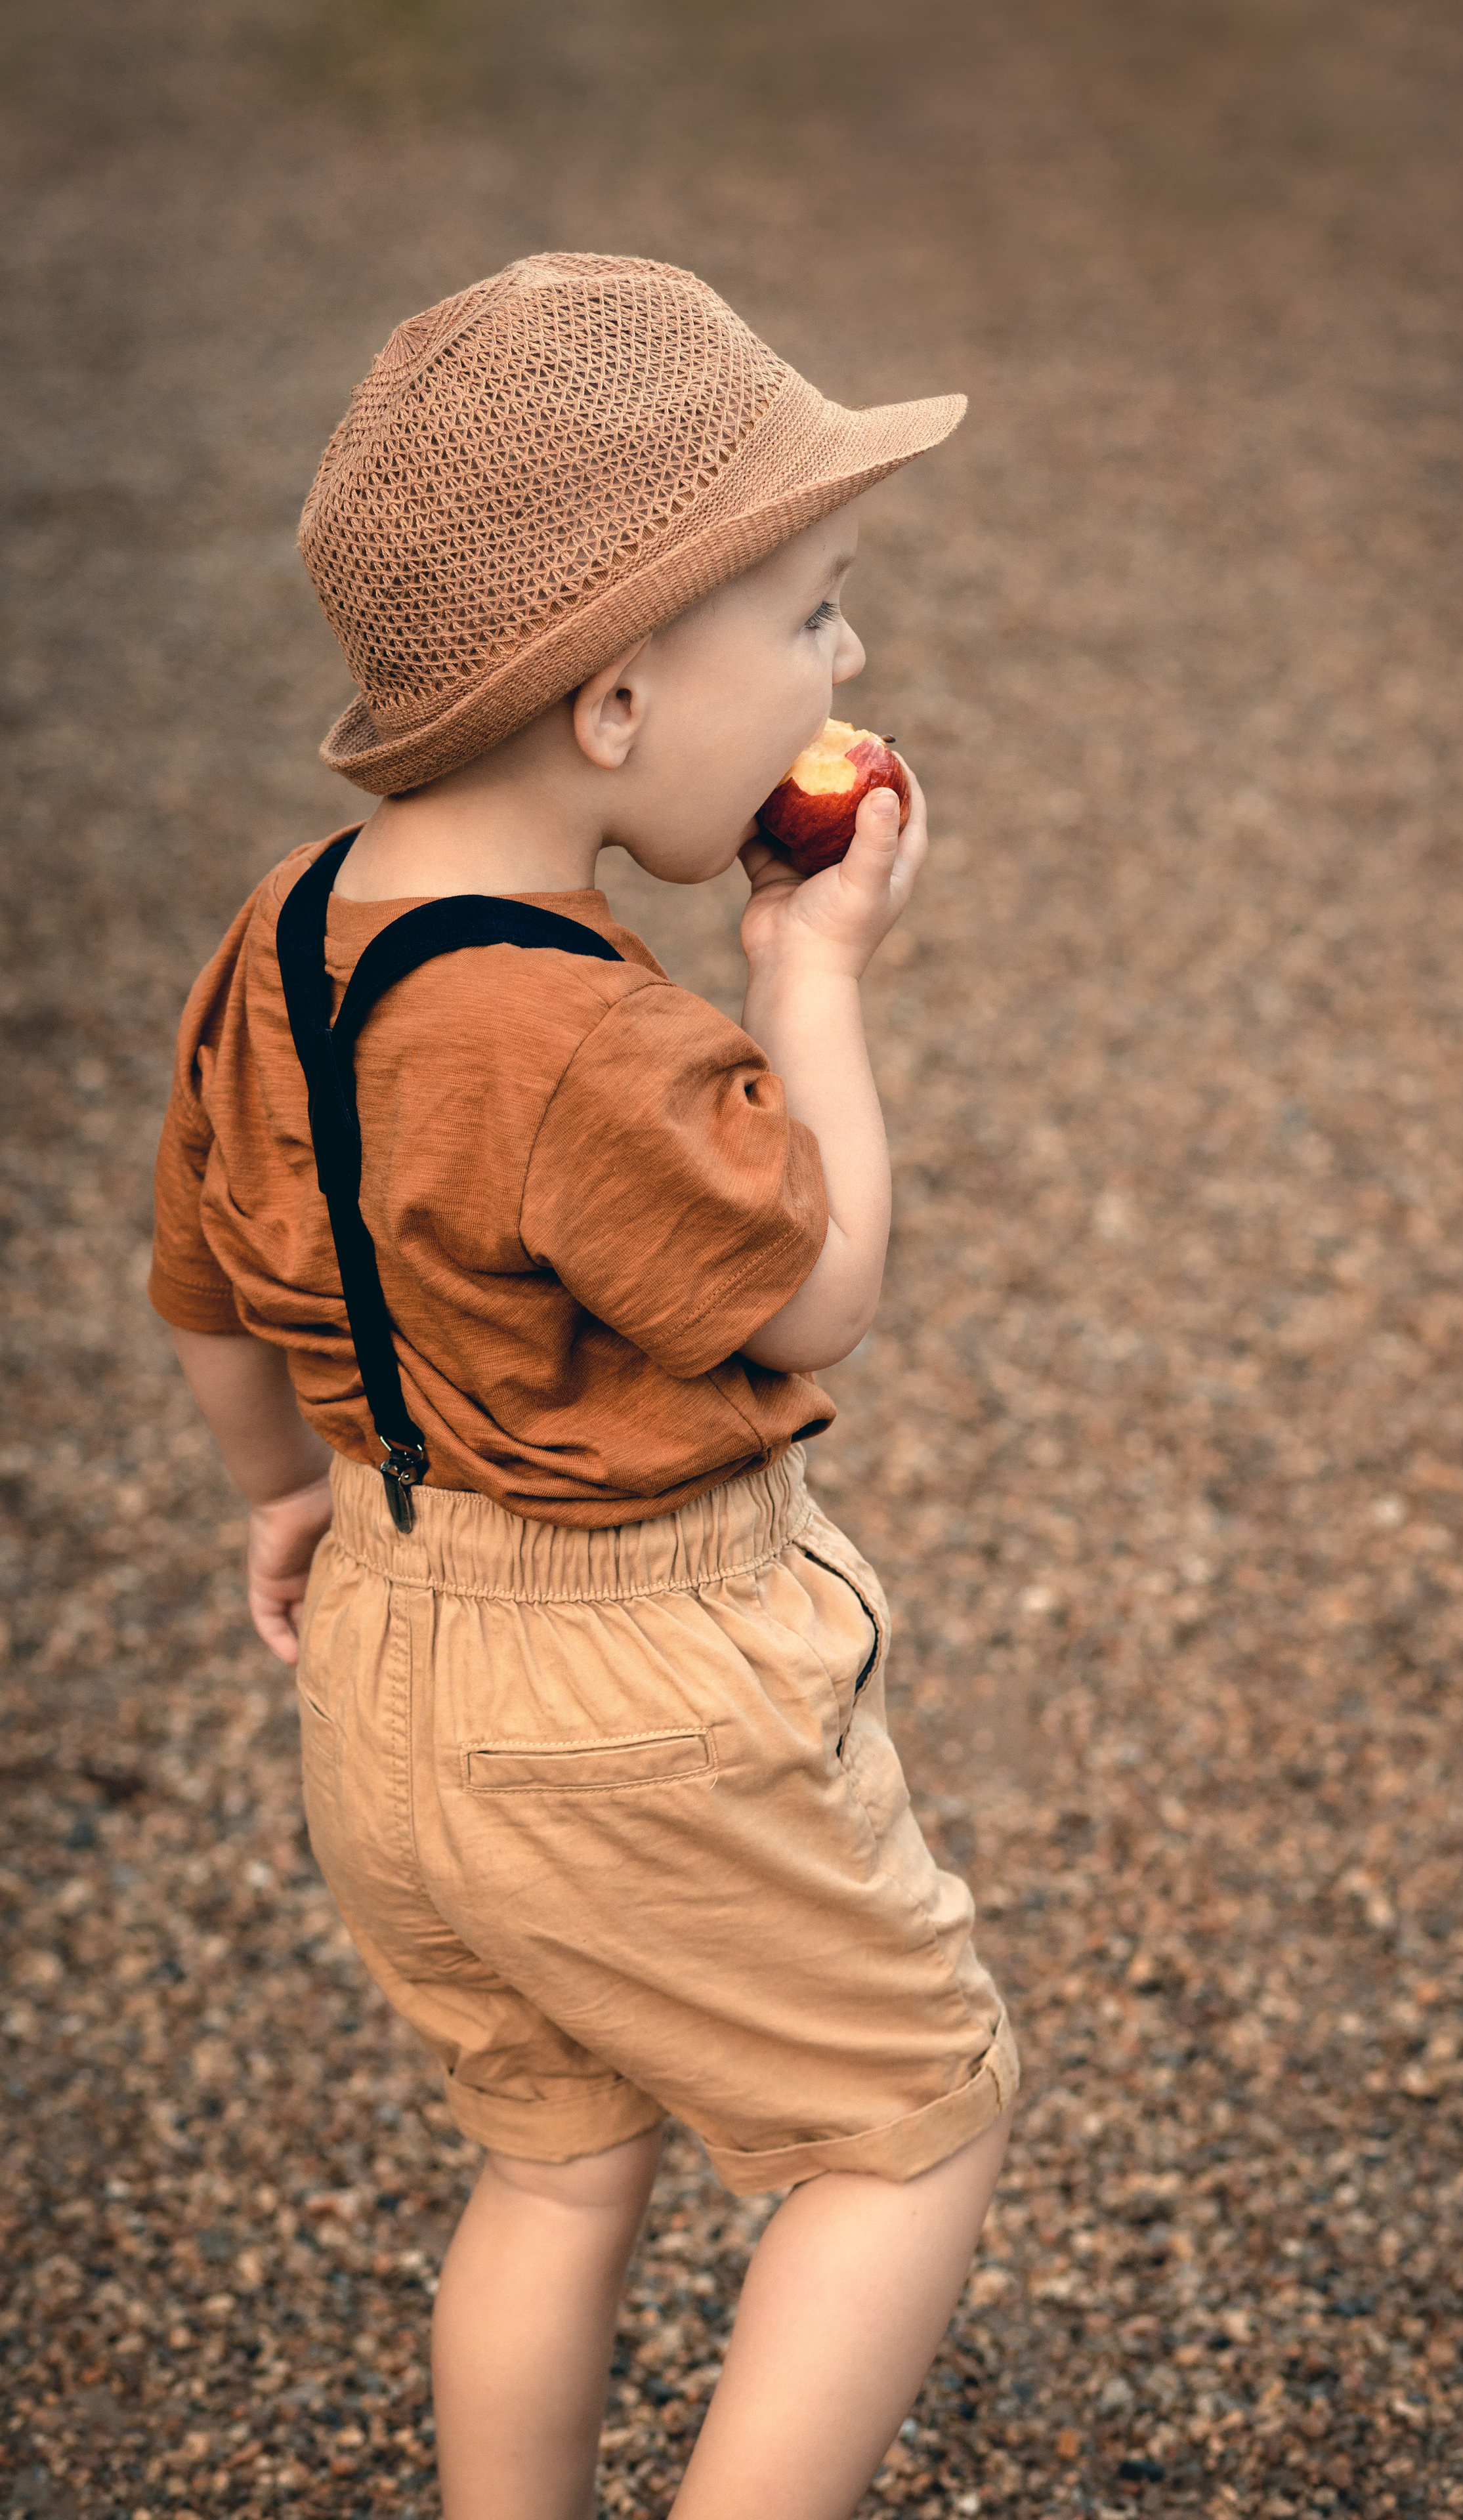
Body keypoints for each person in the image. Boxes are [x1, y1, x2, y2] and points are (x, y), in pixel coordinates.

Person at [149, 252, 1015, 2520]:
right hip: (634, 1691)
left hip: (392, 1667)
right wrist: (811, 972)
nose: (850, 668)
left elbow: (206, 1292)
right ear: (619, 709)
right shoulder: (591, 1040)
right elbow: (812, 1291)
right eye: (816, 616)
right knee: (907, 2131)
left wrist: (287, 1497)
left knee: (552, 2170)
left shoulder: (282, 936)